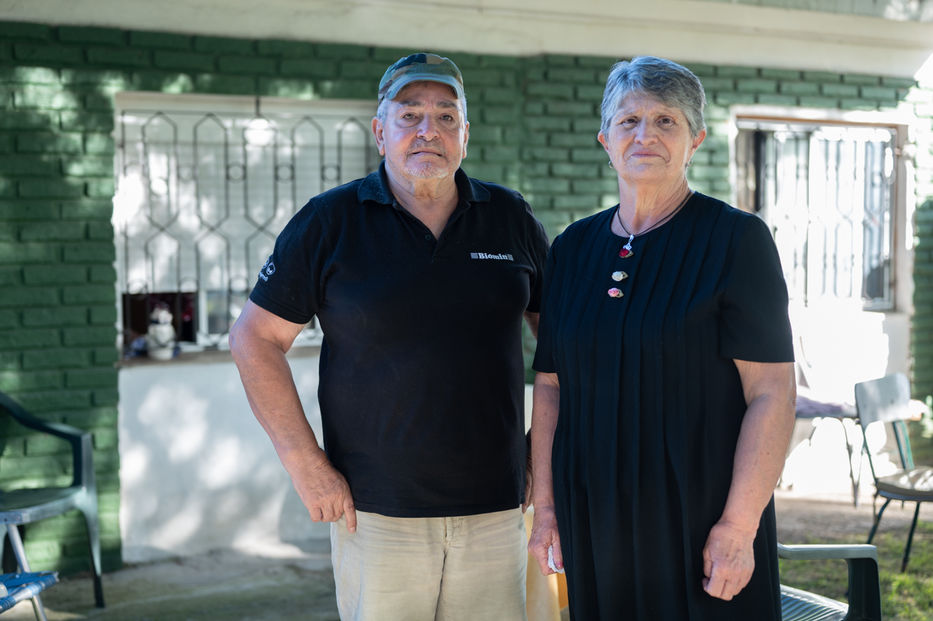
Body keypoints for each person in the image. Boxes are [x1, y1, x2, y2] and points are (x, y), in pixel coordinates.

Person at [229, 52, 549, 621]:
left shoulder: (511, 217)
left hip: (496, 509)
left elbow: (561, 348)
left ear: (466, 135)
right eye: (410, 115)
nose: (429, 130)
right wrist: (307, 464)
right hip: (374, 512)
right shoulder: (329, 222)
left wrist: (541, 454)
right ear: (381, 131)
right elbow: (254, 339)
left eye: (447, 117)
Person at [526, 56, 796, 620]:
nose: (645, 134)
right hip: (594, 517)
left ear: (694, 139)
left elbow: (771, 392)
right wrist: (547, 510)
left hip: (703, 518)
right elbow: (550, 387)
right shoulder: (572, 250)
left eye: (666, 121)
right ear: (605, 139)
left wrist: (739, 525)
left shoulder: (736, 241)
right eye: (629, 121)